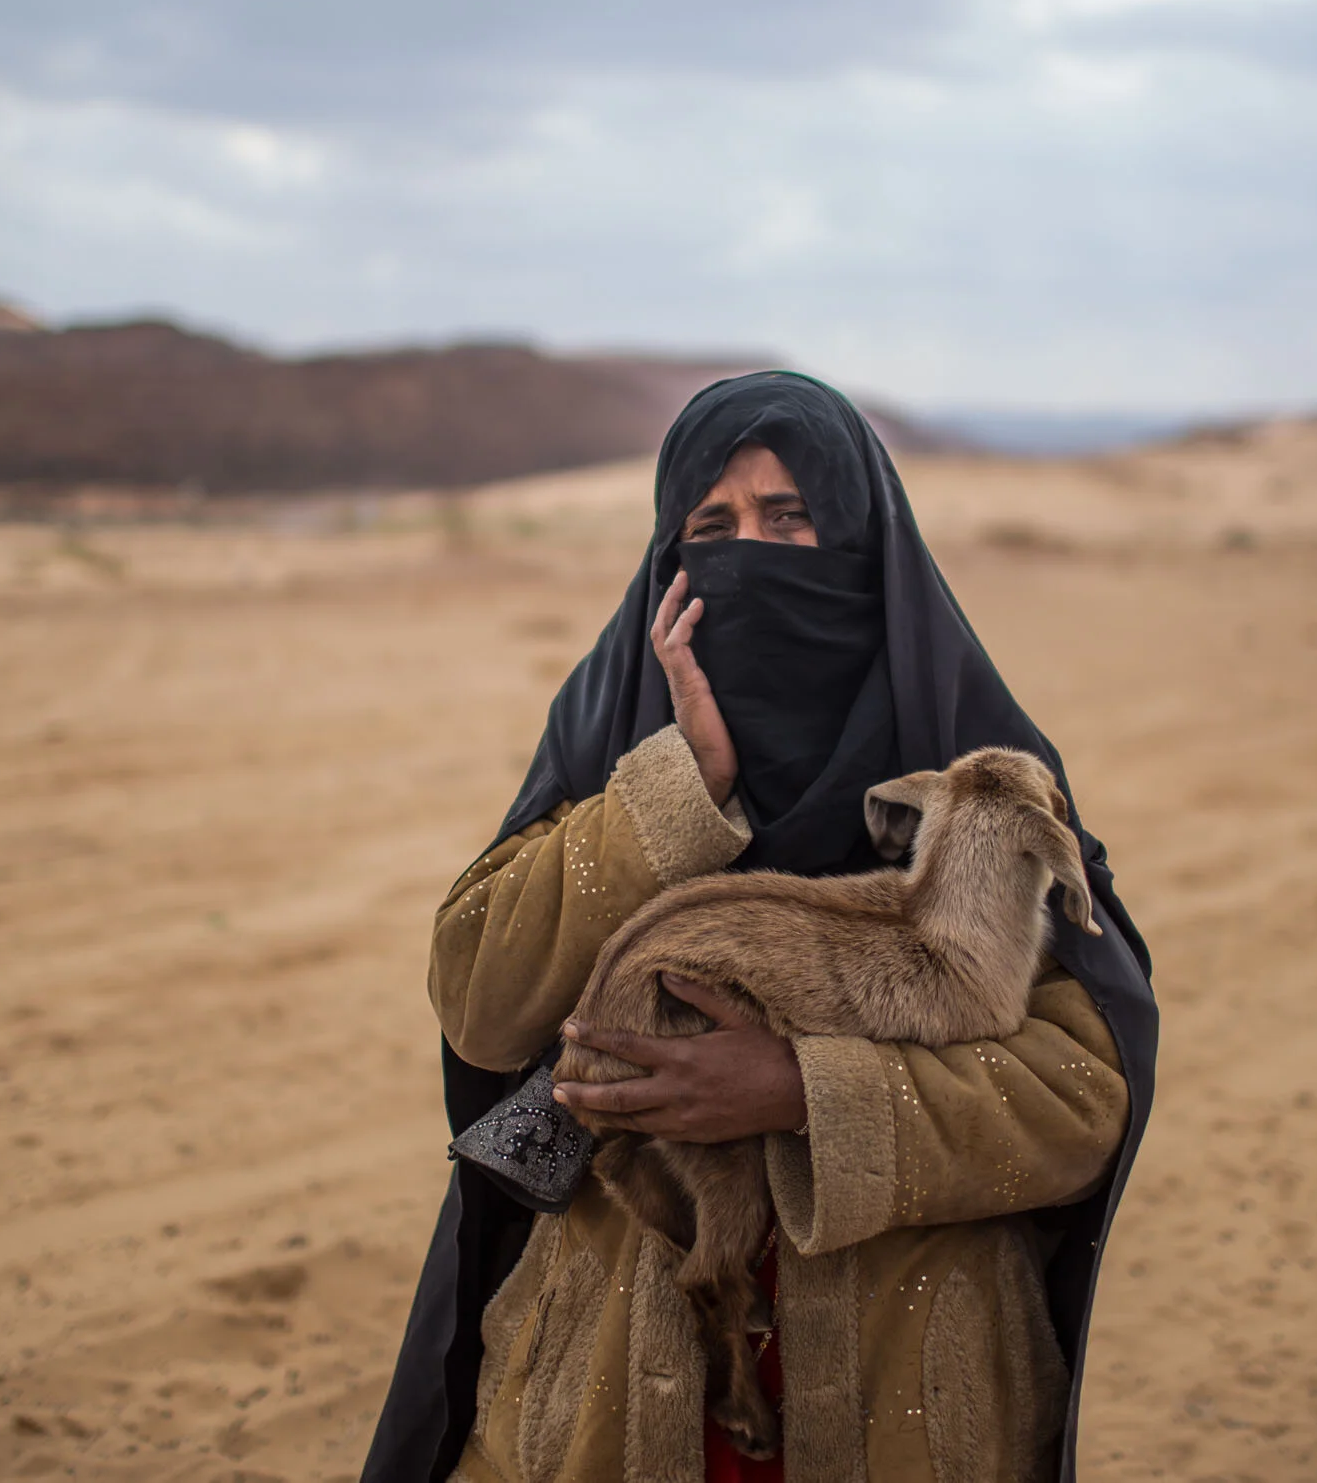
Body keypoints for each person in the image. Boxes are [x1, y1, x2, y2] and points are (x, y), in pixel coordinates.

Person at [362, 372, 1158, 1483]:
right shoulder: (612, 736)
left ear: (864, 543)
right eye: (714, 527)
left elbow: (1081, 1098)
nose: (758, 554)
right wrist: (683, 786)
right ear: (669, 566)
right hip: (603, 1399)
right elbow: (480, 1006)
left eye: (791, 517)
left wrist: (803, 1090)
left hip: (911, 1399)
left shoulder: (969, 769)